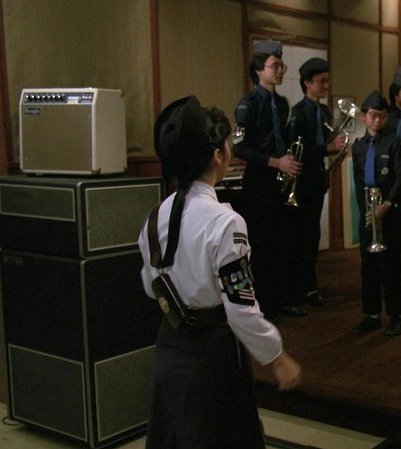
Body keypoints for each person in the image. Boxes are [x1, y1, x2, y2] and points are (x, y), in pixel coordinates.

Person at [139, 96, 301, 448]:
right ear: (218, 155)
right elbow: (241, 308)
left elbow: (151, 287)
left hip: (170, 346)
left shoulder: (154, 217)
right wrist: (276, 356)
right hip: (213, 356)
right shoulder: (226, 222)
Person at [233, 40, 305, 321]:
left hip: (280, 182)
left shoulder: (282, 104)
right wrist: (276, 162)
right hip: (259, 183)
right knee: (261, 245)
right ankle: (264, 305)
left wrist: (289, 159)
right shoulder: (248, 105)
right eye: (275, 66)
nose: (281, 70)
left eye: (281, 65)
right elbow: (239, 147)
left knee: (282, 242)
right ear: (258, 70)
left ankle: (282, 300)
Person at [285, 57, 347, 307]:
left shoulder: (324, 111)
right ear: (308, 83)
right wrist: (327, 148)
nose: (326, 86)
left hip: (318, 180)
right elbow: (296, 150)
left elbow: (326, 143)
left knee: (312, 236)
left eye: (327, 81)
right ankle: (299, 288)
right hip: (302, 182)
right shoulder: (298, 112)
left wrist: (336, 147)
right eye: (322, 81)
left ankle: (309, 286)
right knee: (300, 237)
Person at [350, 91, 401, 336]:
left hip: (389, 210)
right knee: (369, 267)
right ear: (364, 116)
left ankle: (396, 315)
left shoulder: (393, 143)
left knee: (390, 266)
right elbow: (358, 180)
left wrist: (387, 204)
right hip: (369, 211)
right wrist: (367, 211)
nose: (377, 120)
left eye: (382, 116)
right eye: (373, 115)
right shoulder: (358, 146)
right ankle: (372, 314)